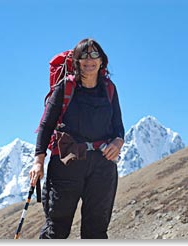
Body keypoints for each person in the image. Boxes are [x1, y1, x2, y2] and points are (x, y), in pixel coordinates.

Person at [29, 38, 125, 239]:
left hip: (102, 165)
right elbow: (46, 125)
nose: (89, 60)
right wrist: (38, 161)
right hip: (67, 163)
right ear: (76, 61)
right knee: (57, 227)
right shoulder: (65, 87)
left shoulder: (109, 89)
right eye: (83, 55)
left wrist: (118, 142)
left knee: (96, 230)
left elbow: (118, 127)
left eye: (94, 55)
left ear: (101, 61)